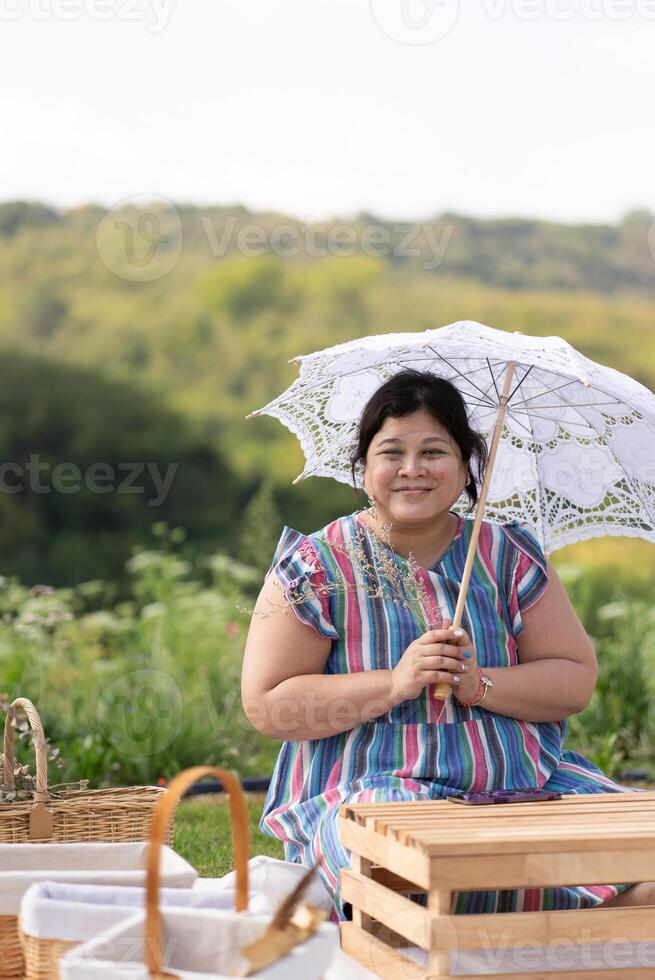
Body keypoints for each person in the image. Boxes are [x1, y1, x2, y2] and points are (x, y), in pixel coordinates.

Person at [241, 369, 652, 921]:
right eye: (392, 452)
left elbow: (573, 679)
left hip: (524, 784)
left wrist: (479, 684)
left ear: (467, 467)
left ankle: (564, 939)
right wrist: (395, 683)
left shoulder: (508, 555)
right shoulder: (320, 564)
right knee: (416, 862)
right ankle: (511, 931)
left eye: (434, 451)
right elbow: (270, 706)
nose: (412, 470)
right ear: (364, 468)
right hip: (375, 788)